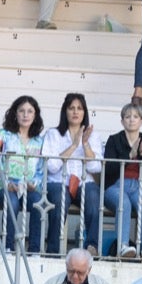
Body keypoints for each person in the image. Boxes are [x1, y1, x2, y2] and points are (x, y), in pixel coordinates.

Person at [42, 93, 102, 255]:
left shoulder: (93, 136)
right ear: (65, 111)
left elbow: (96, 167)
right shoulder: (53, 134)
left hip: (84, 182)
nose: (75, 112)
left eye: (79, 108)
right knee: (60, 199)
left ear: (84, 112)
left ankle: (91, 247)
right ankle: (53, 249)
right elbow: (52, 166)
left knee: (93, 197)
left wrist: (85, 144)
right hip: (58, 182)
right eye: (71, 108)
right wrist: (75, 145)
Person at [102, 103, 142, 258]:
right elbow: (110, 168)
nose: (131, 120)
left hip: (139, 185)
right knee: (123, 203)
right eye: (127, 117)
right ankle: (123, 246)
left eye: (135, 117)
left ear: (141, 121)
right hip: (115, 185)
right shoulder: (114, 140)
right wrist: (130, 155)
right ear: (122, 121)